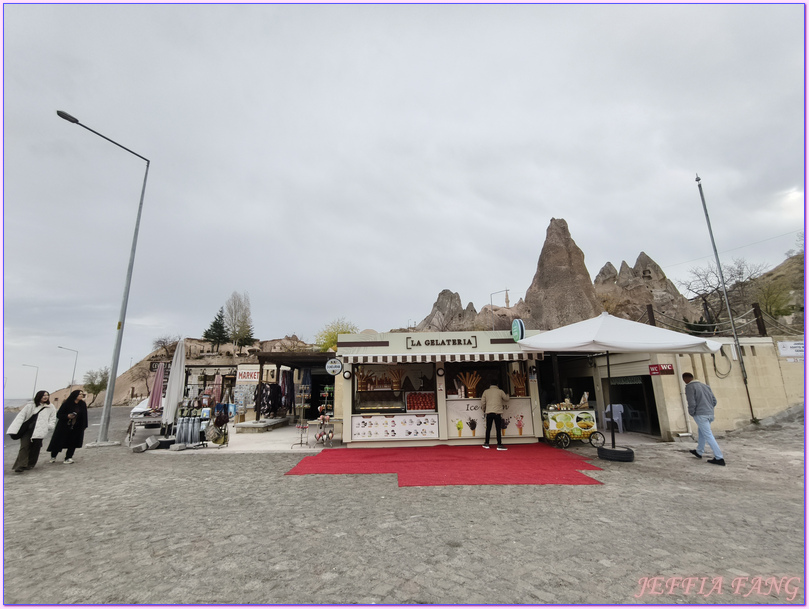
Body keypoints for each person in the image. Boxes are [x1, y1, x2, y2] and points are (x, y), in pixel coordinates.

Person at [7, 390, 57, 473]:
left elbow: (52, 419)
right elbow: (21, 416)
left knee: (35, 448)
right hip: (27, 430)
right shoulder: (30, 405)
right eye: (43, 395)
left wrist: (47, 426)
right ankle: (21, 465)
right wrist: (15, 428)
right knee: (24, 447)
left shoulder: (50, 407)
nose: (45, 397)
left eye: (47, 395)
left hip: (40, 430)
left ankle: (30, 464)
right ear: (39, 396)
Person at [683, 372, 725, 466]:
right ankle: (699, 451)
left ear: (685, 379)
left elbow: (691, 402)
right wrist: (709, 408)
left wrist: (692, 412)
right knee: (701, 432)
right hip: (710, 413)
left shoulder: (689, 387)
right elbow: (714, 401)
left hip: (700, 414)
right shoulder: (706, 386)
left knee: (708, 435)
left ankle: (719, 457)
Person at [46, 389, 88, 464]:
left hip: (76, 427)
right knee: (59, 441)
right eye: (80, 394)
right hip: (64, 426)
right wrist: (67, 416)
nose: (81, 395)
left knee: (73, 442)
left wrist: (84, 425)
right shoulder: (67, 403)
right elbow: (59, 414)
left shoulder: (82, 404)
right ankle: (53, 456)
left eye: (82, 394)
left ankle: (68, 457)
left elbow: (84, 415)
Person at [480, 382, 509, 451]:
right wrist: (508, 394)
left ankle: (486, 443)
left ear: (490, 385)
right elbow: (506, 399)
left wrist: (484, 410)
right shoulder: (500, 391)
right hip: (497, 413)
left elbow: (482, 402)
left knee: (488, 428)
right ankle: (499, 444)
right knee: (498, 429)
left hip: (489, 412)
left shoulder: (486, 392)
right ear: (497, 385)